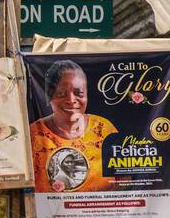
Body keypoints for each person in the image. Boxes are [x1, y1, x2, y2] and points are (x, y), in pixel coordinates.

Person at [29, 60, 117, 193]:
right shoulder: (33, 135)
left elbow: (124, 179)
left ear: (86, 95)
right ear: (49, 96)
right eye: (61, 94)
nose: (71, 100)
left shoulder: (103, 129)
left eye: (78, 93)